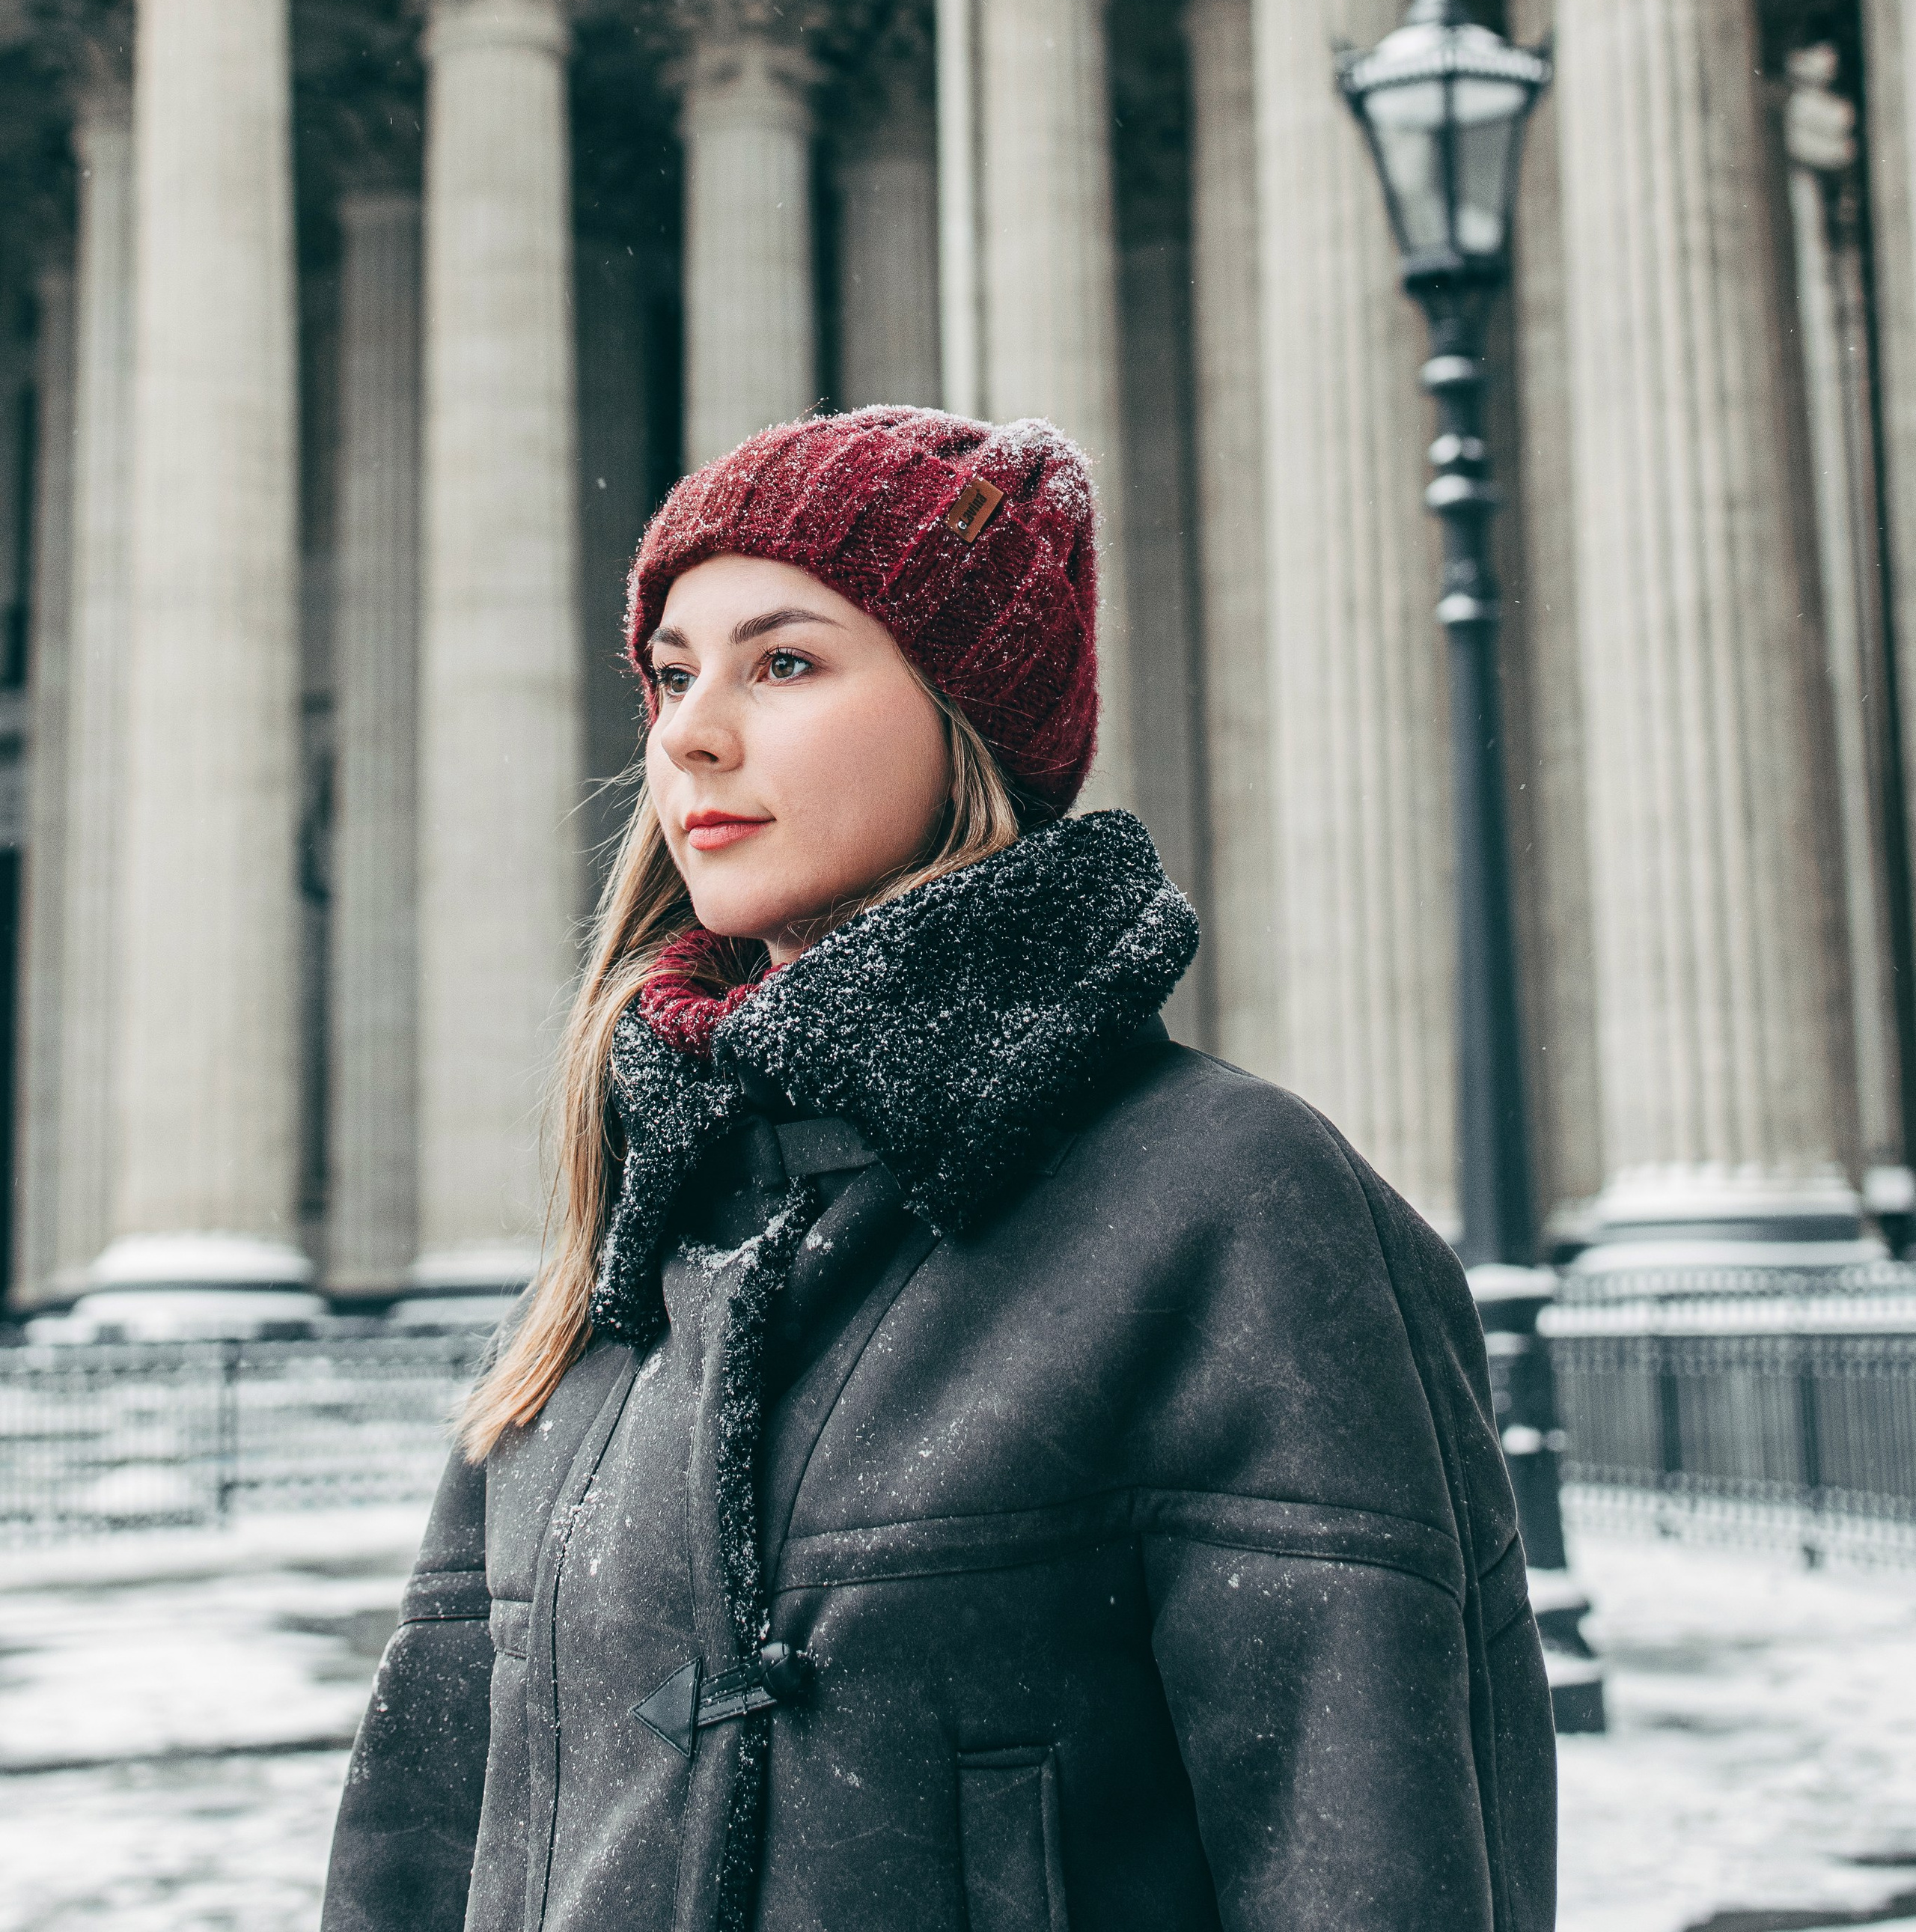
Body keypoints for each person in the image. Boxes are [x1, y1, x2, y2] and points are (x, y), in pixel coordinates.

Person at [322, 404, 1555, 1932]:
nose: (689, 732)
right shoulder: (627, 1245)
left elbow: (1370, 1864)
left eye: (784, 662)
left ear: (964, 717)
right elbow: (421, 1848)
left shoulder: (1227, 1206)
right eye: (669, 672)